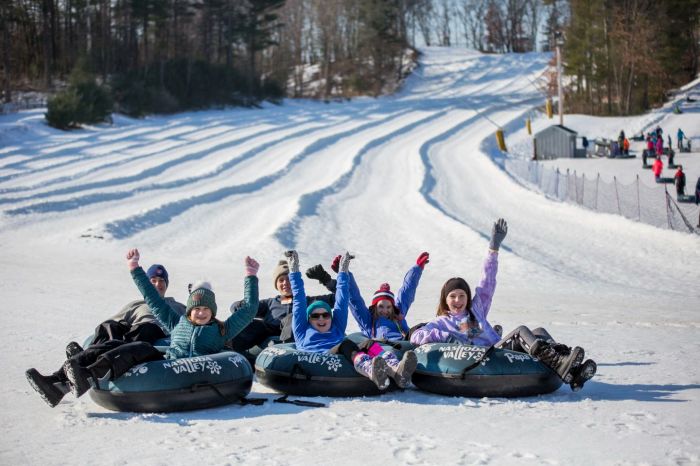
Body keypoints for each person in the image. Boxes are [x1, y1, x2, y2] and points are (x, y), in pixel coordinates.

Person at [27, 249, 260, 408]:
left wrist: (251, 276)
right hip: (167, 361)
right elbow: (153, 299)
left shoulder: (221, 330)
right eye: (196, 308)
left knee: (138, 343)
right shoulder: (176, 322)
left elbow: (249, 310)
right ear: (189, 311)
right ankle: (59, 383)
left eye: (205, 309)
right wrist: (135, 269)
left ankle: (83, 376)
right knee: (127, 346)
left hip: (195, 369)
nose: (200, 312)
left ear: (212, 310)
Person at [410, 219, 596, 391]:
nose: (458, 300)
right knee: (521, 331)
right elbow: (416, 336)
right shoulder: (442, 322)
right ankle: (559, 365)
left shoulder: (476, 309)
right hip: (488, 356)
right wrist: (444, 336)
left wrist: (493, 249)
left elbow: (487, 282)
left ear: (467, 297)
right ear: (445, 299)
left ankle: (572, 370)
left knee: (539, 331)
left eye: (462, 295)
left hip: (497, 350)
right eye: (453, 296)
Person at [26, 263, 186, 407]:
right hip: (131, 333)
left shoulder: (177, 306)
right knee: (109, 326)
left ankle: (87, 366)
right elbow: (113, 325)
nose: (158, 284)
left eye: (161, 281)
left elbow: (193, 324)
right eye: (153, 280)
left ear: (166, 284)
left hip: (152, 335)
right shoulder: (136, 305)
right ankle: (55, 382)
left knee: (145, 328)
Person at [287, 250, 415, 390]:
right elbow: (299, 300)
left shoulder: (336, 327)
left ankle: (396, 369)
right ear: (308, 319)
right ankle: (371, 370)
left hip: (342, 355)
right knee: (346, 344)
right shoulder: (301, 332)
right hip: (319, 358)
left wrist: (343, 272)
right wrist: (294, 271)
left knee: (369, 343)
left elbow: (341, 300)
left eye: (326, 314)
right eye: (315, 316)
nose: (322, 318)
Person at [227, 258, 334, 352]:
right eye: (281, 280)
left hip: (294, 338)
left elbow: (340, 297)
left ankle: (287, 352)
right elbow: (235, 308)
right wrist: (242, 304)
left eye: (289, 279)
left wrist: (326, 280)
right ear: (276, 285)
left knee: (294, 316)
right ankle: (230, 350)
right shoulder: (269, 303)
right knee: (253, 324)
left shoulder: (308, 302)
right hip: (268, 334)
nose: (285, 283)